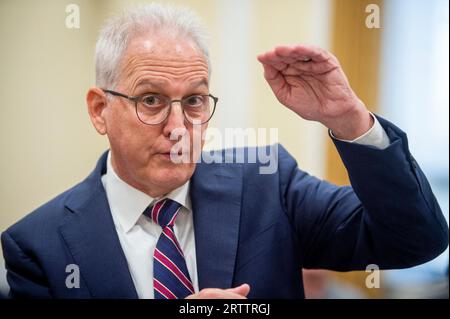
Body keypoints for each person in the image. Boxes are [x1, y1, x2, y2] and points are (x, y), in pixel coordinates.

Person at [1, 3, 448, 299]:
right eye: (151, 100)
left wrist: (349, 119)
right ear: (100, 110)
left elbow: (416, 239)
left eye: (194, 100)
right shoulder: (37, 246)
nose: (179, 128)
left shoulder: (268, 184)